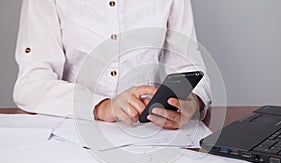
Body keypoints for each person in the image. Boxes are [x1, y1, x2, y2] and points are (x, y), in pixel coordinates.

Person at [14, 0, 211, 130]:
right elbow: (31, 84)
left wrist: (192, 104)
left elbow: (189, 68)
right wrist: (102, 107)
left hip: (150, 134)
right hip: (73, 130)